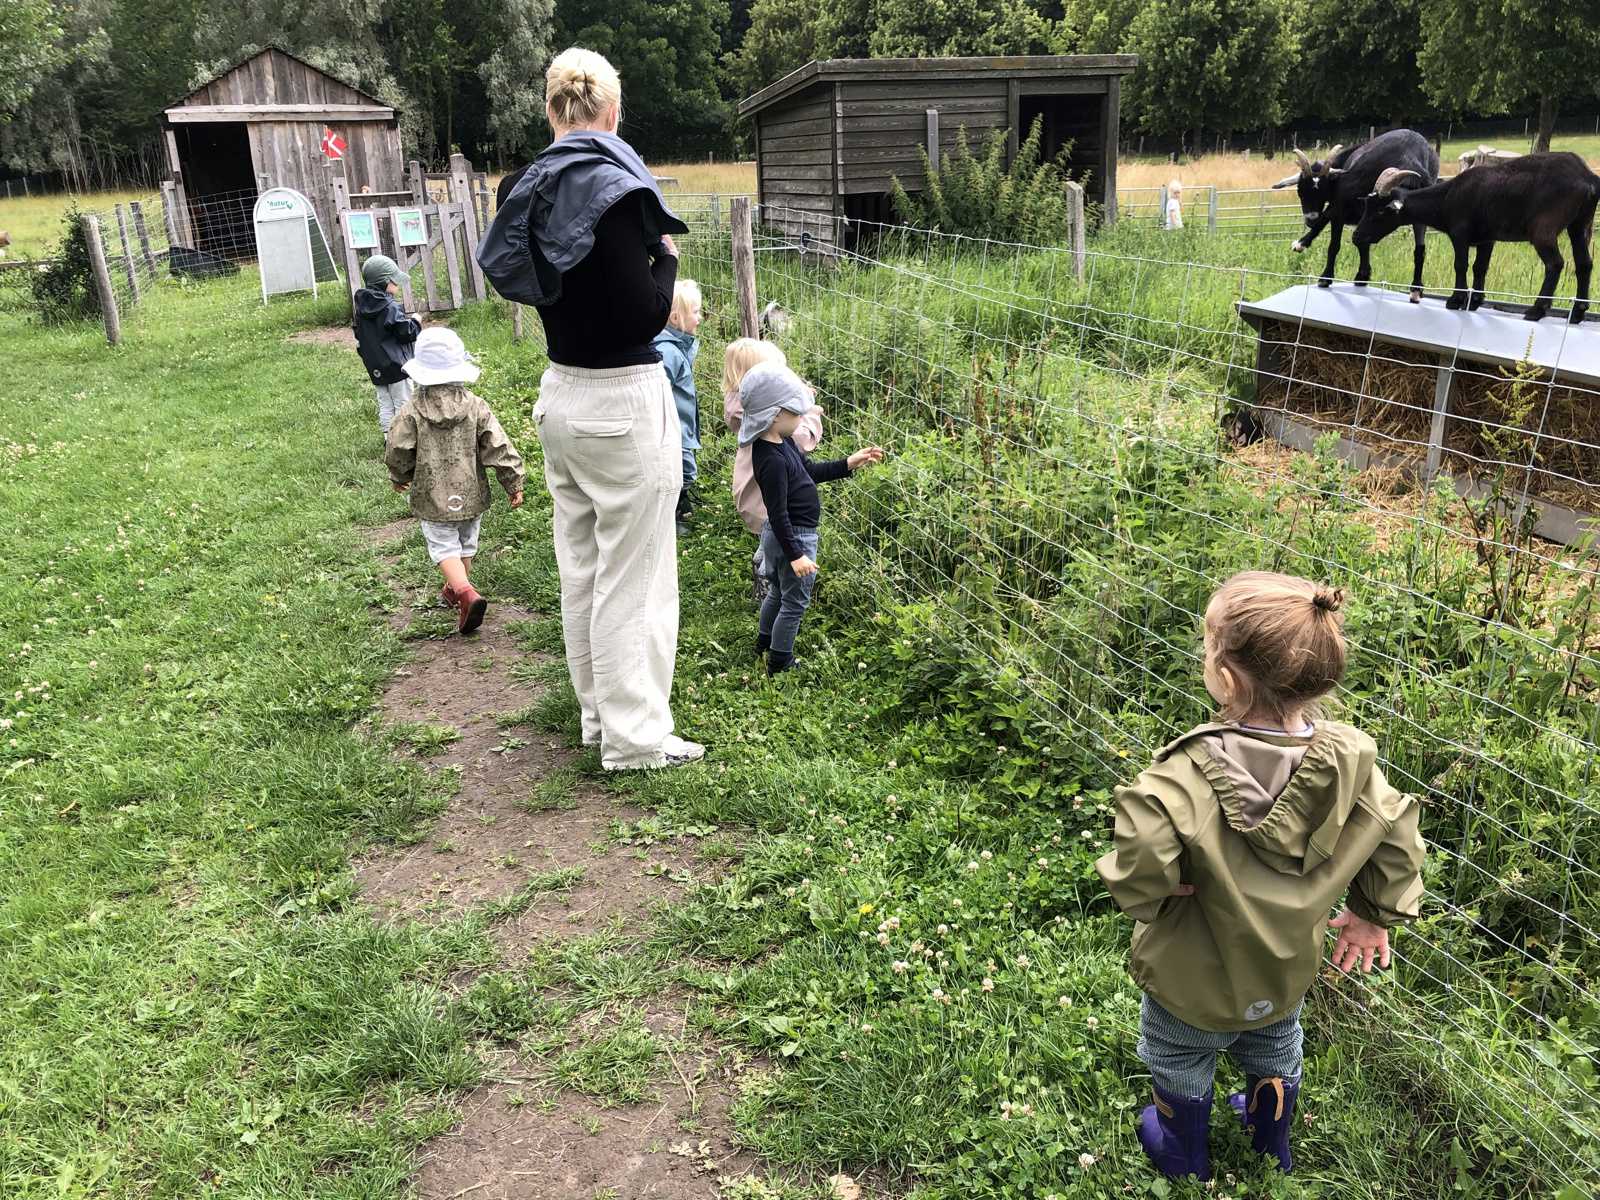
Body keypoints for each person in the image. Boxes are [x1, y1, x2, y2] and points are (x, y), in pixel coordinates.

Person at [1095, 572, 1426, 1181]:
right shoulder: (1350, 767)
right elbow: (1397, 828)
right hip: (1285, 968)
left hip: (1190, 971)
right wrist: (1372, 915)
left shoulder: (1182, 774)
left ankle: (1180, 1147)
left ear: (1224, 674)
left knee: (1179, 1053)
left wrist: (1154, 887)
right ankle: (1269, 1140)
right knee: (1275, 1042)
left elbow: (1141, 856)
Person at [483, 47, 700, 771]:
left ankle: (598, 721)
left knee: (582, 568)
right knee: (633, 577)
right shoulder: (614, 188)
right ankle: (637, 740)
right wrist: (665, 256)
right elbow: (643, 318)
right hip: (623, 404)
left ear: (551, 113)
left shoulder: (526, 186)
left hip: (560, 397)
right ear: (611, 113)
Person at [739, 363, 884, 675]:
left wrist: (848, 463)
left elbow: (810, 472)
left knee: (778, 593)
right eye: (797, 413)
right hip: (794, 537)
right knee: (794, 603)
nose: (801, 419)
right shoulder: (772, 461)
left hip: (781, 537)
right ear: (776, 415)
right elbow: (777, 514)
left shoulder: (781, 443)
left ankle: (764, 642)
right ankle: (780, 662)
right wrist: (796, 555)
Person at [385, 328, 526, 634]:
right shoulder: (476, 406)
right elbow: (497, 445)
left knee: (442, 546)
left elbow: (398, 447)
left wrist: (399, 475)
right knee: (465, 543)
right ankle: (456, 586)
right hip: (471, 492)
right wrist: (512, 480)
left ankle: (465, 592)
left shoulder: (411, 412)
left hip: (432, 495)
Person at [721, 338, 823, 602]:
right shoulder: (767, 422)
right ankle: (767, 577)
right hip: (764, 492)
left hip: (755, 483)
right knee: (773, 535)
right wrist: (809, 413)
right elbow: (802, 439)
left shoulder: (745, 406)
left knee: (770, 535)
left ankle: (767, 571)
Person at [652, 280, 704, 537]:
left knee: (683, 464)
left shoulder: (676, 345)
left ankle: (680, 503)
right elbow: (658, 392)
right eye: (695, 312)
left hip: (682, 421)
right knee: (681, 467)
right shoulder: (667, 352)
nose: (700, 317)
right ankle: (675, 512)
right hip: (674, 425)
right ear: (675, 317)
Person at [353, 255, 421, 437]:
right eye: (394, 281)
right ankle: (405, 440)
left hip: (375, 366)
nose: (397, 285)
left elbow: (359, 334)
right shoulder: (389, 307)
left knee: (385, 402)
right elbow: (405, 333)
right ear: (384, 282)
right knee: (403, 403)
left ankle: (388, 438)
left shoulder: (361, 307)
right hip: (397, 366)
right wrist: (415, 322)